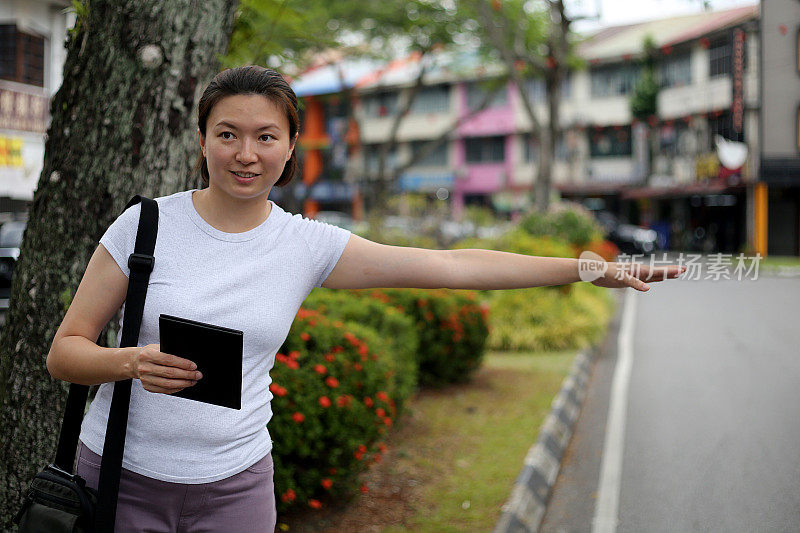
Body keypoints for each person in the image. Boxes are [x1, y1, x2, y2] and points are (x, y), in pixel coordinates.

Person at [45, 65, 684, 532]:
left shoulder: (306, 245)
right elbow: (65, 352)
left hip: (236, 488)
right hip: (120, 480)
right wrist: (131, 362)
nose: (246, 154)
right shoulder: (145, 226)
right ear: (203, 139)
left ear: (291, 147)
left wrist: (581, 268)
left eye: (266, 137)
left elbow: (453, 266)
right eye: (228, 134)